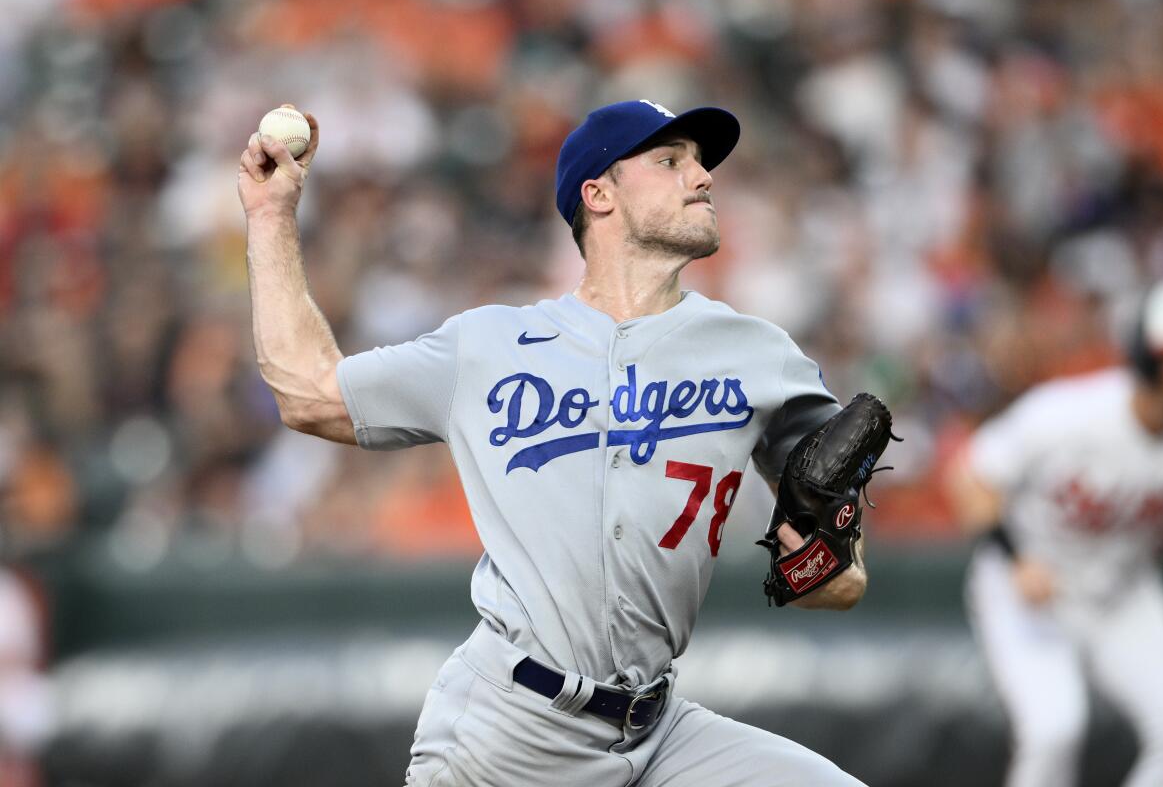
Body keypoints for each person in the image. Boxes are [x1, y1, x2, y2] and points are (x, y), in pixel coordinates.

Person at [238, 99, 869, 786]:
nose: (703, 176)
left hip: (658, 734)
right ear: (598, 196)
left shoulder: (761, 356)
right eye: (669, 161)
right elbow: (306, 392)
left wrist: (821, 561)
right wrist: (270, 217)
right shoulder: (488, 345)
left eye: (700, 161)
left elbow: (838, 579)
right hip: (511, 730)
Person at [950, 277, 1163, 787]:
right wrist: (1016, 558)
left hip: (1121, 590)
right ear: (1148, 356)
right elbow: (971, 475)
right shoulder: (1073, 413)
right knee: (1054, 730)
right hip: (1030, 586)